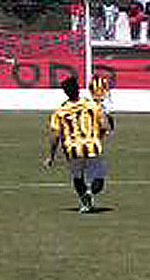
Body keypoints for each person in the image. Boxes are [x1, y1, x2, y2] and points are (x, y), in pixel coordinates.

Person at [45, 75, 111, 214]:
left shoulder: (60, 111)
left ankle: (84, 200)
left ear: (65, 93)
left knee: (77, 177)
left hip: (72, 149)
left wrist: (51, 156)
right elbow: (104, 125)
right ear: (78, 90)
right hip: (92, 146)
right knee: (99, 180)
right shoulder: (92, 105)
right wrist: (101, 135)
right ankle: (90, 193)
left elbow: (55, 135)